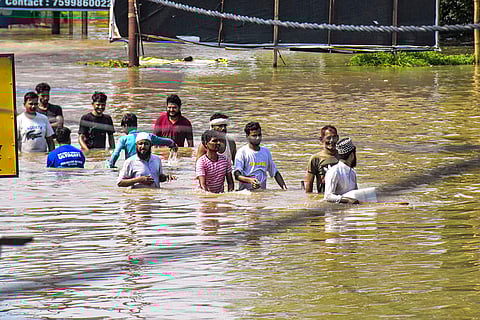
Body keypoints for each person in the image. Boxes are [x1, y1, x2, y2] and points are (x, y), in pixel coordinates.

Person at [109, 113, 178, 168]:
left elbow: (115, 154)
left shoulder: (123, 139)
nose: (123, 130)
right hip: (147, 166)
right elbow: (165, 141)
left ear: (126, 125)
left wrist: (111, 166)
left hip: (132, 166)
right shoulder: (147, 136)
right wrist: (172, 144)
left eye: (122, 127)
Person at [234, 122, 287, 190]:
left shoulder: (266, 152)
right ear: (247, 136)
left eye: (259, 135)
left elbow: (275, 173)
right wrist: (250, 181)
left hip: (262, 193)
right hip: (246, 194)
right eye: (254, 136)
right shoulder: (242, 152)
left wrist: (284, 188)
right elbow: (237, 175)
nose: (258, 138)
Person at [324, 137, 360, 204]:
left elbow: (355, 194)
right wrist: (347, 200)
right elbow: (328, 196)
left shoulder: (352, 173)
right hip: (335, 212)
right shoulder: (334, 171)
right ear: (352, 155)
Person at [304, 125, 339, 193]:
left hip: (342, 197)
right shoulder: (316, 159)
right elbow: (309, 184)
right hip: (324, 196)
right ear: (321, 139)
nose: (332, 141)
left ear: (338, 138)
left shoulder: (343, 156)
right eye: (328, 138)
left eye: (334, 137)